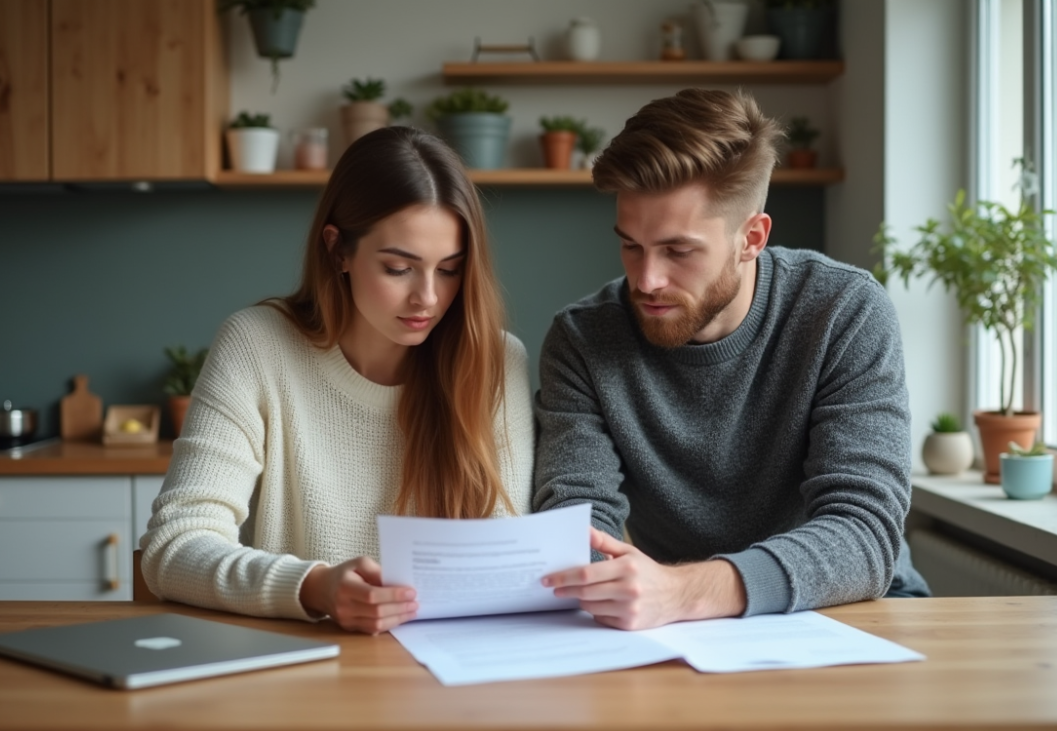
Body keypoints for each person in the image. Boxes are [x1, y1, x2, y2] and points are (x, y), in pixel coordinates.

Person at [536, 89, 928, 631]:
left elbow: (864, 534)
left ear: (752, 238)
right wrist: (609, 580)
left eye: (678, 250)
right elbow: (575, 526)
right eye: (631, 245)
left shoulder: (844, 312)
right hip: (679, 625)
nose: (646, 280)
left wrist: (685, 591)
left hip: (852, 612)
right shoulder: (583, 340)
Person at [140, 127, 535, 634]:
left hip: (448, 664)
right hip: (298, 663)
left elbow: (507, 553)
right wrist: (314, 586)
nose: (429, 298)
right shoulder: (257, 345)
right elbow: (174, 546)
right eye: (399, 268)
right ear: (337, 250)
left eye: (450, 270)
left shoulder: (496, 361)